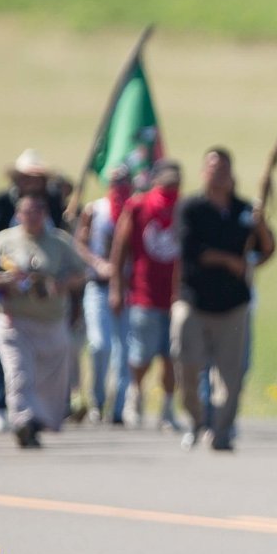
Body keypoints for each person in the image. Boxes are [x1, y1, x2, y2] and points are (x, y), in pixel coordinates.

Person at [173, 148, 272, 452]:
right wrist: (229, 262)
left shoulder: (244, 211)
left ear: (232, 174)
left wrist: (260, 224)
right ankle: (197, 419)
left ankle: (221, 431)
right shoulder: (191, 208)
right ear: (203, 172)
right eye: (212, 168)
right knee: (186, 362)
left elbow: (265, 250)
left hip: (233, 304)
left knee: (231, 376)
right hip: (194, 300)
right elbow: (191, 250)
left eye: (223, 168)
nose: (218, 173)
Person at [0, 189, 89, 449]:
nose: (32, 217)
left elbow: (81, 273)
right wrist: (4, 281)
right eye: (26, 211)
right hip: (14, 320)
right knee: (18, 373)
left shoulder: (59, 242)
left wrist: (61, 284)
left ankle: (38, 421)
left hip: (50, 320)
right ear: (18, 214)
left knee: (49, 380)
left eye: (37, 212)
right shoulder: (3, 241)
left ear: (44, 215)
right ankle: (22, 422)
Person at [110, 160, 183, 430]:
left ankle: (167, 406)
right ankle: (136, 393)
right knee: (141, 354)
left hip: (176, 297)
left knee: (172, 356)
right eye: (167, 183)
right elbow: (120, 248)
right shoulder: (138, 206)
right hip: (144, 293)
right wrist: (117, 288)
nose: (171, 189)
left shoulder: (185, 209)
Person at [77, 162, 136, 426]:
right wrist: (98, 264)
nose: (119, 187)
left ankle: (119, 407)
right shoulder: (95, 210)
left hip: (129, 288)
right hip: (98, 286)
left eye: (124, 182)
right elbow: (80, 243)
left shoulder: (136, 210)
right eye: (115, 182)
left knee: (124, 352)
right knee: (100, 344)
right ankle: (97, 400)